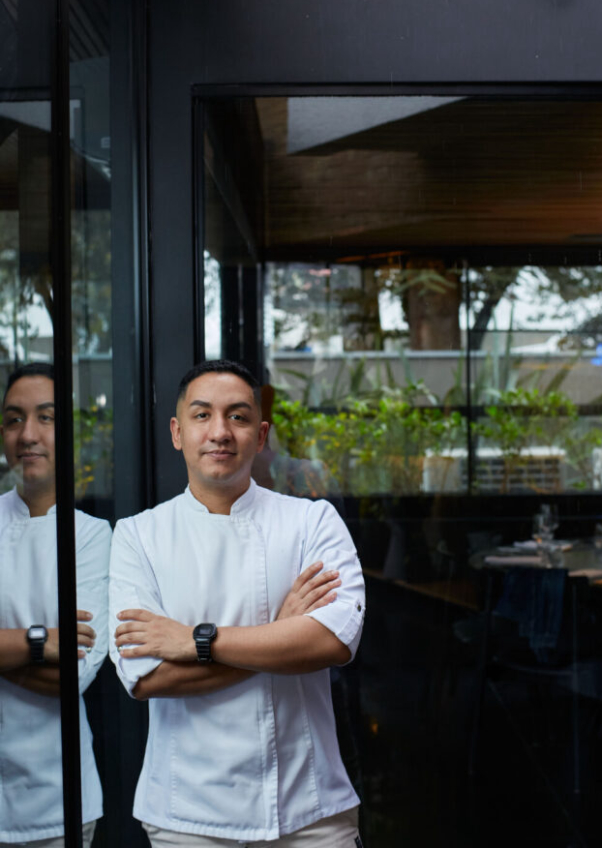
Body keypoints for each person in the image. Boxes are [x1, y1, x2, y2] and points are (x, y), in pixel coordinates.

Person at [109, 359, 365, 847]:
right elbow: (148, 678)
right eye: (202, 415)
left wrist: (194, 640)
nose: (220, 432)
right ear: (177, 432)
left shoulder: (314, 522)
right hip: (187, 818)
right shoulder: (138, 536)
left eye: (239, 417)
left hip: (309, 811)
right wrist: (280, 632)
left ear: (261, 433)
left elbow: (329, 642)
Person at [0, 363, 111, 847]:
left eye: (46, 417)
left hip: (58, 801)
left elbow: (72, 675)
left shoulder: (90, 537)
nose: (28, 434)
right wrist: (40, 641)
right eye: (13, 419)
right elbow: (56, 657)